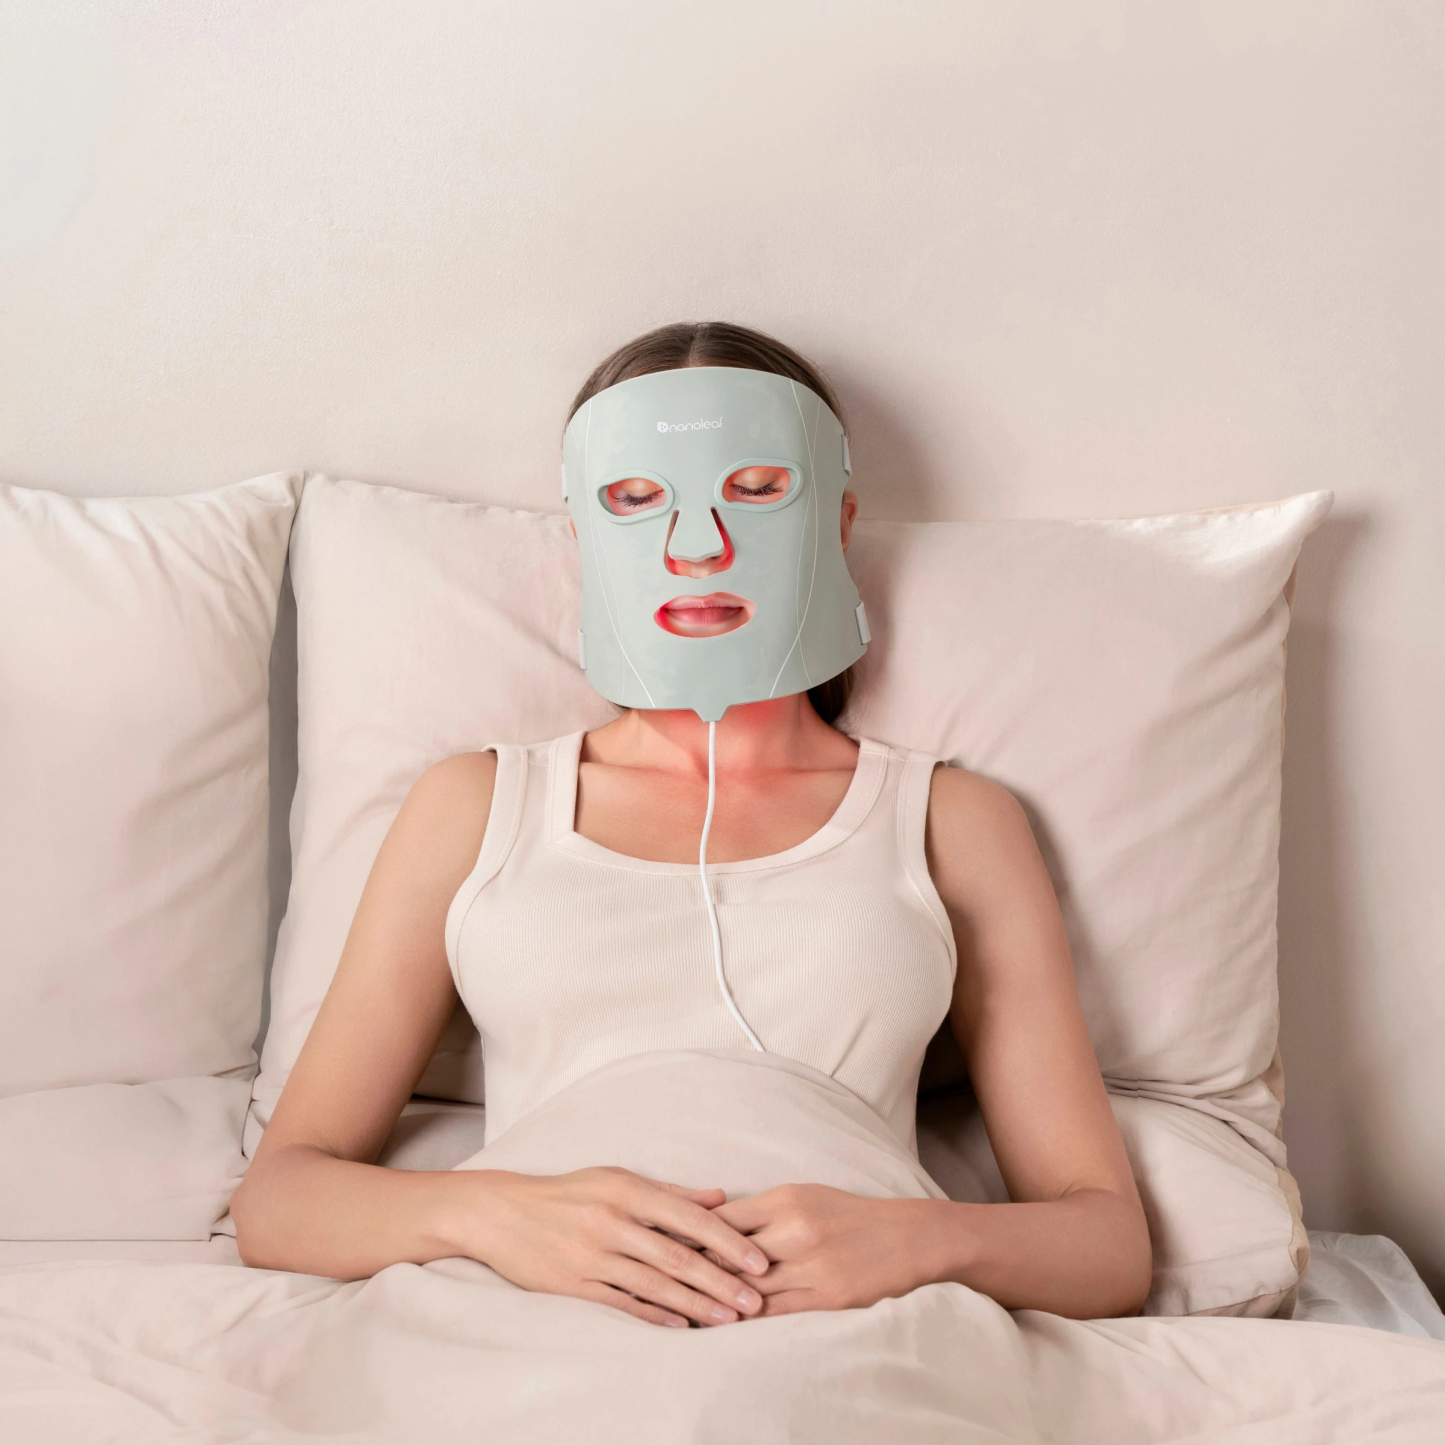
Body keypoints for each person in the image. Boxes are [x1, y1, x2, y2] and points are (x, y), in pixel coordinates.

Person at [231, 321, 1152, 1329]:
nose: (698, 544)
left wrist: (921, 1238)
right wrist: (497, 1213)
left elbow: (1105, 1245)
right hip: (530, 1322)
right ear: (584, 531)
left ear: (836, 519)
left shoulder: (951, 821)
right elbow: (280, 1199)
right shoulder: (474, 805)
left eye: (755, 489)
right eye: (636, 498)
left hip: (845, 1337)